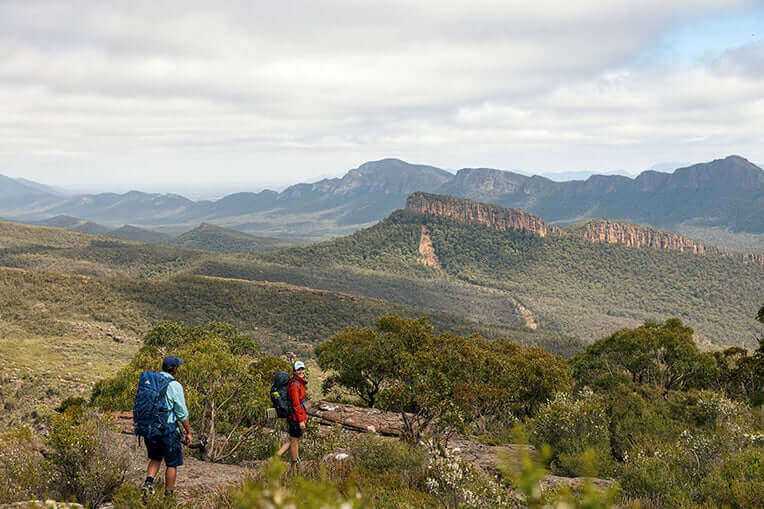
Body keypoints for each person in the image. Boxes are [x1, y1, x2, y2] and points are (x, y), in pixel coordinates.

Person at [142, 356, 192, 499]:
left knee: (156, 458)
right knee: (172, 463)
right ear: (174, 369)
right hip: (168, 430)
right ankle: (168, 496)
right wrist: (188, 432)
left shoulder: (150, 381)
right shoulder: (175, 385)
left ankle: (148, 484)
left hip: (150, 427)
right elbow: (182, 412)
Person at [276, 360, 308, 466]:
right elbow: (296, 404)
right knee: (294, 440)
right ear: (294, 371)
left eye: (302, 369)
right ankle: (294, 464)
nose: (301, 371)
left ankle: (276, 458)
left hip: (295, 416)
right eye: (298, 369)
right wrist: (301, 420)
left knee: (293, 440)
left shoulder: (299, 383)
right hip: (294, 417)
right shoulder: (295, 385)